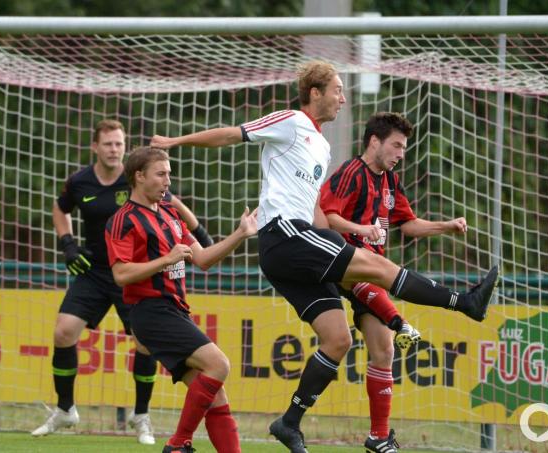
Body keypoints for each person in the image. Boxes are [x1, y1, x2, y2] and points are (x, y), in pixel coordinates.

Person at [151, 60, 498, 453]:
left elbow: (316, 209)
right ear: (315, 93)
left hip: (298, 244)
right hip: (284, 234)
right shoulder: (291, 121)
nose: (343, 99)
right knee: (377, 267)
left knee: (337, 339)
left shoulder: (323, 146)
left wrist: (335, 241)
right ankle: (464, 303)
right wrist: (176, 142)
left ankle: (289, 422)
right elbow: (232, 134)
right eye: (337, 90)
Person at [31, 120, 214, 445]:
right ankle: (65, 409)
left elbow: (174, 205)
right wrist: (67, 243)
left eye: (119, 143)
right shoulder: (80, 181)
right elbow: (60, 209)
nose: (114, 149)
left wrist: (200, 234)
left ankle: (141, 416)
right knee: (63, 331)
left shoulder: (139, 180)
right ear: (95, 147)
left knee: (145, 343)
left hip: (138, 272)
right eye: (108, 144)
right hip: (93, 271)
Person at [320, 112, 486, 452]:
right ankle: (408, 319)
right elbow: (327, 216)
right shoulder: (351, 172)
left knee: (384, 351)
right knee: (374, 282)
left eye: (404, 148)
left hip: (373, 272)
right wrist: (361, 230)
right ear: (374, 141)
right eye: (396, 145)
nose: (401, 153)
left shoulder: (390, 182)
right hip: (346, 264)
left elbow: (408, 225)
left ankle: (378, 436)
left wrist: (446, 226)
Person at [106, 146, 256, 453]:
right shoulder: (123, 220)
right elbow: (120, 274)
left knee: (216, 397)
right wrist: (166, 259)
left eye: (169, 174)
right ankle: (177, 443)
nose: (168, 181)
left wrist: (240, 234)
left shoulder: (171, 215)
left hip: (174, 310)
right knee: (219, 364)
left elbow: (203, 259)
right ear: (139, 176)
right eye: (161, 174)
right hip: (151, 311)